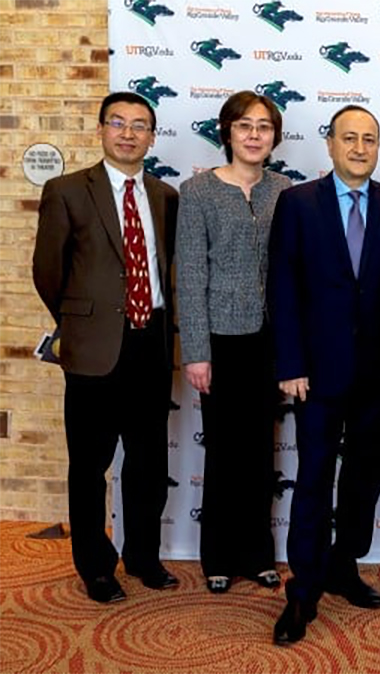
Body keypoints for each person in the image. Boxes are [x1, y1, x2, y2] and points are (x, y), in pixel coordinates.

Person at [267, 105, 380, 645]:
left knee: (362, 479)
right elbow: (282, 286)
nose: (359, 147)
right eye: (349, 138)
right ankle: (302, 590)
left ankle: (343, 565)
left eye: (369, 139)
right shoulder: (297, 203)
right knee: (312, 481)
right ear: (329, 144)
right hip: (317, 374)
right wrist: (290, 364)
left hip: (379, 373)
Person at [32, 92, 180, 603]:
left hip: (152, 344)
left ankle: (142, 557)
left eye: (140, 125)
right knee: (90, 465)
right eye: (118, 123)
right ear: (101, 130)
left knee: (147, 462)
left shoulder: (165, 195)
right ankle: (96, 566)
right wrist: (81, 323)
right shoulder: (68, 190)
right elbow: (47, 274)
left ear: (152, 137)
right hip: (94, 350)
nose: (128, 133)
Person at [175, 91, 291, 594]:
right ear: (227, 132)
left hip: (269, 339)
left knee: (260, 454)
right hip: (220, 339)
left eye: (263, 127)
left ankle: (257, 553)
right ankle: (218, 556)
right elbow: (190, 274)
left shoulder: (285, 190)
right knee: (223, 451)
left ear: (274, 137)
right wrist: (196, 351)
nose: (253, 135)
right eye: (244, 126)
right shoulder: (197, 192)